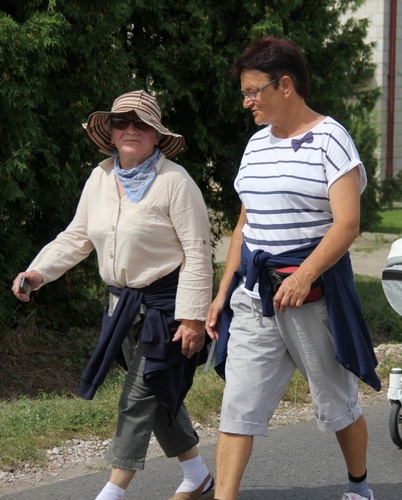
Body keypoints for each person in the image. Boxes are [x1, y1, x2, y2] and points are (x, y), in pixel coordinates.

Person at [11, 90, 215, 500]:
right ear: (111, 131)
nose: (130, 130)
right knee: (157, 390)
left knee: (136, 398)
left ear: (157, 135)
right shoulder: (101, 177)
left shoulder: (175, 182)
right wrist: (37, 272)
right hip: (121, 307)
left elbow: (197, 252)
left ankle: (112, 492)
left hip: (167, 308)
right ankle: (198, 475)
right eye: (122, 122)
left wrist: (193, 317)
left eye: (141, 124)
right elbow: (77, 236)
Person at [205, 37, 379, 500]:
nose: (246, 102)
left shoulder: (331, 138)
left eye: (252, 91)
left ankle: (359, 488)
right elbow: (246, 224)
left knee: (336, 405)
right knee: (237, 406)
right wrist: (224, 291)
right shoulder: (256, 145)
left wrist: (304, 276)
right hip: (254, 295)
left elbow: (347, 224)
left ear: (284, 85)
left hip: (311, 296)